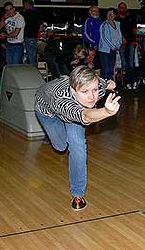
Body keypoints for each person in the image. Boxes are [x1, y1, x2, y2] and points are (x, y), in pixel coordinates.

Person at [34, 65, 120, 210]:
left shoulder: (96, 86)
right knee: (60, 146)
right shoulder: (62, 101)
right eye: (85, 92)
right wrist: (106, 111)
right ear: (73, 91)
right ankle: (58, 130)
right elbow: (85, 115)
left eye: (94, 90)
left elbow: (101, 83)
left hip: (75, 111)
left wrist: (108, 83)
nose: (92, 96)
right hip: (47, 110)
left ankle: (78, 194)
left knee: (78, 147)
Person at [115, 2, 139, 90]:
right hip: (122, 44)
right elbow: (116, 32)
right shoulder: (116, 19)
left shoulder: (130, 18)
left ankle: (132, 81)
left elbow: (134, 30)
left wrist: (135, 41)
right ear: (118, 9)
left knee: (131, 63)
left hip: (131, 43)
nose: (123, 9)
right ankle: (127, 82)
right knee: (124, 64)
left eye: (124, 7)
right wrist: (121, 39)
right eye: (121, 7)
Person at [98, 8, 122, 80]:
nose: (110, 15)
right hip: (104, 50)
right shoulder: (103, 25)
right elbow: (104, 37)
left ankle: (110, 88)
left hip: (114, 50)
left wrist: (118, 45)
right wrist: (112, 47)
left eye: (112, 14)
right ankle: (104, 89)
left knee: (111, 70)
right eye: (108, 14)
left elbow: (119, 36)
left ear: (115, 15)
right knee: (106, 70)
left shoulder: (117, 24)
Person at [21, 0, 42, 67]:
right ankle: (34, 73)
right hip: (34, 37)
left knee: (29, 57)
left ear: (27, 4)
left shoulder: (26, 13)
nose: (23, 6)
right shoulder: (37, 12)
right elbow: (40, 26)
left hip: (28, 36)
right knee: (32, 57)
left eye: (24, 4)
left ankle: (32, 73)